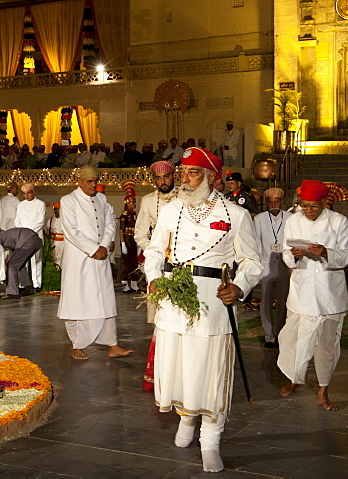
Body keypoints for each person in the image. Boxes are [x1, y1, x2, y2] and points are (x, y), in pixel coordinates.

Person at [143, 147, 262, 473]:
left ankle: (211, 440)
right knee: (180, 369)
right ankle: (186, 420)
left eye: (193, 172)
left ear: (212, 177)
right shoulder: (170, 210)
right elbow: (154, 252)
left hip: (212, 304)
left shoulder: (234, 215)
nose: (184, 178)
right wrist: (154, 278)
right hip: (174, 303)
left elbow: (252, 261)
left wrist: (238, 287)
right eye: (182, 171)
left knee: (210, 373)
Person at [277, 180, 348, 411]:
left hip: (330, 294)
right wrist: (295, 255)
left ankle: (323, 390)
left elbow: (347, 254)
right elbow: (285, 255)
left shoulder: (338, 221)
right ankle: (293, 377)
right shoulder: (293, 221)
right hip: (301, 293)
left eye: (314, 206)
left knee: (327, 345)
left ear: (323, 203)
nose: (308, 210)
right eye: (304, 206)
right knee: (293, 339)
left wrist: (326, 252)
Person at [57, 165, 133, 360]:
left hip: (101, 257)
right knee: (78, 300)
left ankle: (112, 344)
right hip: (79, 259)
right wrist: (92, 249)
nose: (93, 184)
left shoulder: (102, 199)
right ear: (79, 181)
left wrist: (105, 246)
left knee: (106, 298)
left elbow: (110, 223)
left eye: (95, 181)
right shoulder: (69, 201)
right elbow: (71, 231)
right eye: (89, 181)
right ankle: (76, 344)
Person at [133, 160, 179, 390]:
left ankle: (178, 371)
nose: (163, 182)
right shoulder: (148, 200)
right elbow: (140, 232)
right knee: (159, 320)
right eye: (159, 179)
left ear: (174, 176)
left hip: (182, 266)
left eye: (167, 177)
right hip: (158, 266)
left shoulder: (185, 197)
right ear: (154, 180)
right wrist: (152, 248)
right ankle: (159, 372)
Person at [253, 188, 289, 348]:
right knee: (265, 302)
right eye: (270, 202)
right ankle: (269, 335)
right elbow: (256, 242)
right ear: (266, 203)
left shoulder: (290, 218)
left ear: (282, 202)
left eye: (277, 202)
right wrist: (259, 264)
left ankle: (280, 333)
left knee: (283, 302)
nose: (274, 205)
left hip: (285, 265)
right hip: (266, 265)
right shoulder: (260, 219)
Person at [0, 226, 42, 298]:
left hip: (26, 241)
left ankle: (13, 293)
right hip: (37, 240)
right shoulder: (8, 233)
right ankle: (28, 287)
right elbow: (14, 252)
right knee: (20, 264)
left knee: (11, 266)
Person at [14, 183, 46, 290]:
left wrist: (29, 232)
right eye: (24, 194)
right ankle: (24, 284)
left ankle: (37, 284)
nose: (27, 196)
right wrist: (23, 232)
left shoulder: (40, 204)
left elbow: (40, 221)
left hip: (35, 236)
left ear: (33, 192)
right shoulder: (20, 205)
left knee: (36, 260)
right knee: (23, 261)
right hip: (23, 237)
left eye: (28, 193)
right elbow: (17, 221)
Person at [118, 181, 139, 294]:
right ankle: (125, 284)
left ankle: (134, 283)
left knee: (133, 261)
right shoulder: (124, 215)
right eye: (132, 201)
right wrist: (122, 243)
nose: (134, 203)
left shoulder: (134, 214)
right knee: (125, 262)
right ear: (127, 202)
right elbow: (121, 230)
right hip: (126, 239)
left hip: (133, 238)